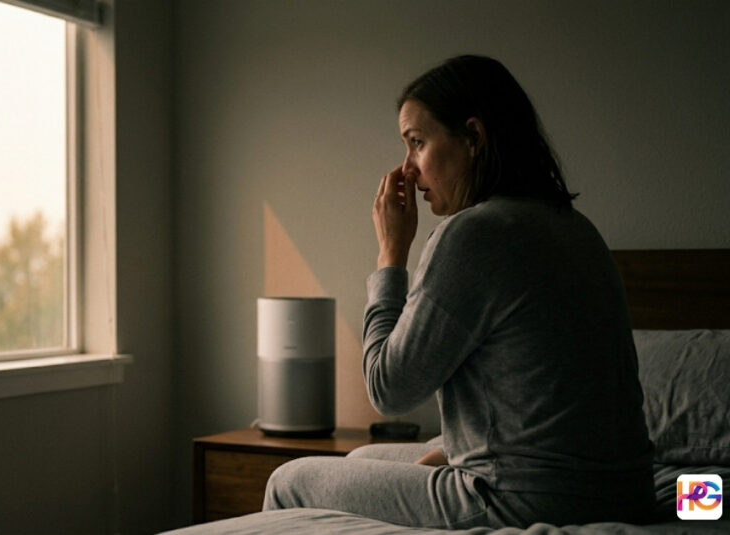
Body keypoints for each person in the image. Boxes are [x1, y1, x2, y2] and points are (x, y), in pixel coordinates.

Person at [262, 55, 655, 529]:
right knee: (367, 454)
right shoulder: (575, 228)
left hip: (519, 498)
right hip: (622, 494)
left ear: (472, 137)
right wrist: (449, 451)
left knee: (289, 479)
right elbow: (540, 395)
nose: (407, 169)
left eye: (418, 143)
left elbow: (388, 389)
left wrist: (391, 253)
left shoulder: (475, 233)